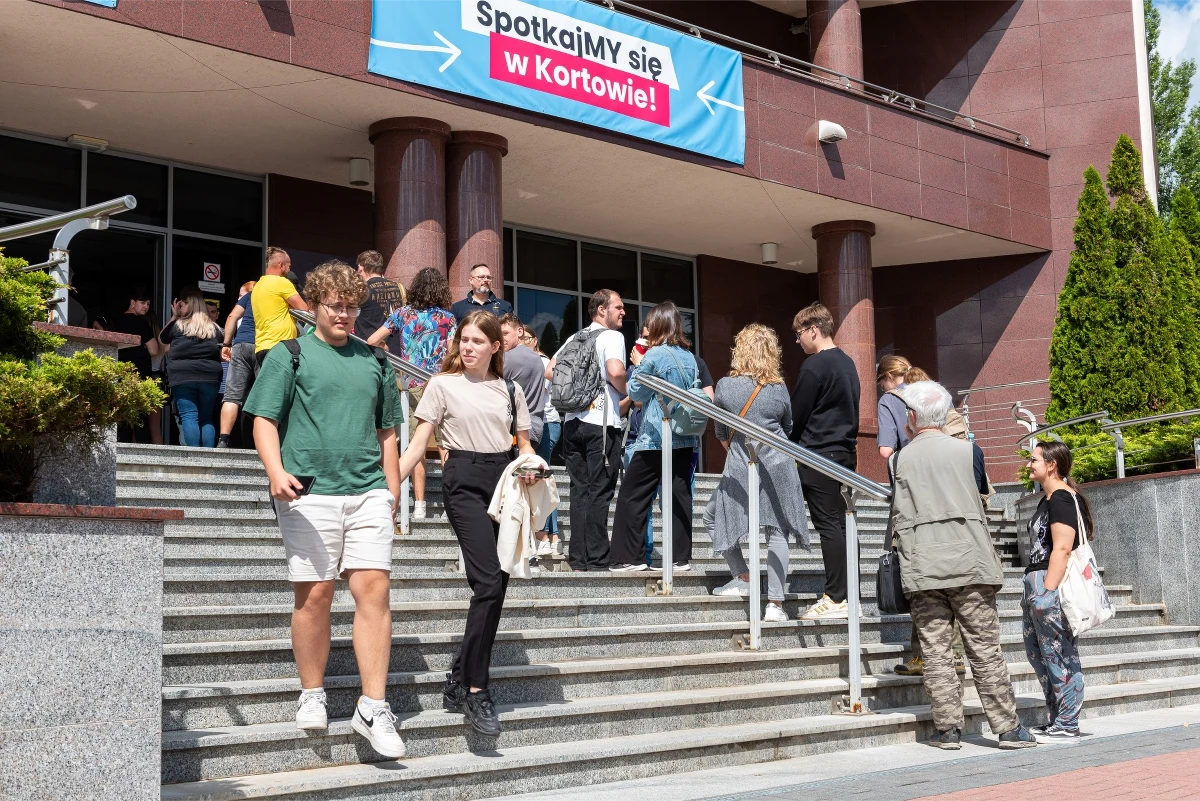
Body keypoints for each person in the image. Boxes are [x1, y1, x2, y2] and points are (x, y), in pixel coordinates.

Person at [244, 260, 405, 759]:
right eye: (335, 305)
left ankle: (373, 706)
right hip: (308, 492)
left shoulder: (375, 360)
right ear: (314, 305)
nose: (345, 314)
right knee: (314, 595)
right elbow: (265, 420)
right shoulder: (289, 354)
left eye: (352, 305)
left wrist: (392, 493)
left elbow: (388, 432)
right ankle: (312, 692)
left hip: (368, 491)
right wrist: (274, 471)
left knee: (373, 590)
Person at [397, 310, 541, 737]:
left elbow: (526, 447)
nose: (468, 346)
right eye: (464, 339)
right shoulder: (442, 385)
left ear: (496, 347)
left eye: (478, 341)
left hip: (504, 486)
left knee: (496, 588)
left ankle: (458, 680)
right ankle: (477, 689)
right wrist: (389, 490)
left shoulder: (510, 389)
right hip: (461, 483)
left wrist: (532, 468)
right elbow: (420, 442)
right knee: (488, 584)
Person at [892, 381, 1036, 751]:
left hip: (923, 565)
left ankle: (947, 731)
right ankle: (1007, 728)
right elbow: (981, 494)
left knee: (936, 651)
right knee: (985, 648)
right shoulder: (970, 451)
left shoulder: (898, 459)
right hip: (969, 562)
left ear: (911, 418)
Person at [707, 324, 809, 621]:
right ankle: (774, 606)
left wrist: (739, 455)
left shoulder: (726, 385)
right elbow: (788, 427)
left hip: (741, 463)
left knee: (713, 517)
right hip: (778, 466)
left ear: (741, 350)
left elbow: (721, 431)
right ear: (771, 352)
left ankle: (743, 577)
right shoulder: (777, 387)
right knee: (778, 532)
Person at [885, 362, 968, 679]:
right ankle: (925, 656)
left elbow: (966, 476)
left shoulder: (949, 424)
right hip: (930, 523)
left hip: (945, 522)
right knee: (927, 596)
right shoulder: (928, 431)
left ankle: (952, 656)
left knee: (943, 594)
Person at [609, 301, 698, 573]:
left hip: (655, 436)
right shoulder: (688, 356)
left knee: (633, 496)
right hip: (683, 436)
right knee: (679, 495)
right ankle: (680, 558)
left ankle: (629, 557)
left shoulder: (654, 356)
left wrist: (638, 363)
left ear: (657, 325)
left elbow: (635, 393)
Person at [367, 267, 457, 520]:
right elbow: (452, 352)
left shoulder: (401, 314)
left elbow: (373, 340)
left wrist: (392, 361)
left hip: (409, 383)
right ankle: (451, 505)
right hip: (439, 384)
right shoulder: (447, 319)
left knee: (413, 443)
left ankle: (419, 505)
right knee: (444, 444)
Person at [789, 302, 860, 619]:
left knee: (829, 526)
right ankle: (850, 596)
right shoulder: (848, 363)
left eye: (799, 333)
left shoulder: (815, 367)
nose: (797, 340)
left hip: (817, 455)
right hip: (844, 454)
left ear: (813, 330)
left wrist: (790, 447)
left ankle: (836, 597)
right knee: (844, 525)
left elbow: (796, 416)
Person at [552, 289, 627, 571]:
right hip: (601, 423)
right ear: (601, 310)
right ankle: (597, 558)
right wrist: (629, 392)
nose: (623, 312)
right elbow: (616, 372)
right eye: (618, 307)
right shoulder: (612, 337)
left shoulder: (575, 338)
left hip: (572, 422)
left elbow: (550, 370)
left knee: (579, 490)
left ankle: (579, 558)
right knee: (600, 490)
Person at [1023, 440, 1091, 743]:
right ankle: (1057, 719)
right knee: (1040, 654)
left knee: (1059, 652)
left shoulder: (1061, 498)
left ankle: (1068, 723)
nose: (1028, 464)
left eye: (1034, 459)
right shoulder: (1048, 498)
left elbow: (1062, 548)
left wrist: (1046, 592)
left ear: (1051, 465)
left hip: (1051, 584)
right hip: (1037, 581)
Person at [160, 288, 223, 448]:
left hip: (183, 377)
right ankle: (208, 458)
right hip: (210, 377)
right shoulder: (215, 328)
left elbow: (162, 338)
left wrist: (174, 316)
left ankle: (194, 459)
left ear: (188, 305)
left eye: (183, 304)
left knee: (189, 416)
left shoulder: (178, 326)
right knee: (207, 417)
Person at [110, 285, 164, 444]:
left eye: (148, 304)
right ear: (132, 302)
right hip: (140, 374)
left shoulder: (118, 321)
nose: (146, 307)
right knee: (141, 418)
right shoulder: (141, 324)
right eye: (142, 303)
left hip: (121, 373)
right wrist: (141, 352)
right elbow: (154, 350)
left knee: (123, 416)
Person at [531, 332, 562, 556]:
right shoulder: (541, 362)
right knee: (544, 479)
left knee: (542, 480)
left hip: (546, 423)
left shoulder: (540, 363)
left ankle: (549, 536)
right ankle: (551, 536)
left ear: (533, 340)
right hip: (547, 423)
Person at [251, 247, 308, 368]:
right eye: (289, 266)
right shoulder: (281, 282)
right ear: (281, 265)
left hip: (261, 347)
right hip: (281, 346)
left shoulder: (258, 286)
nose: (289, 270)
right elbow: (304, 311)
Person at [217, 280, 258, 448]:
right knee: (264, 396)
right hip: (264, 346)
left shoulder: (250, 296)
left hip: (240, 345)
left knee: (232, 396)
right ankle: (260, 443)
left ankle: (223, 440)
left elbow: (232, 316)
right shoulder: (279, 294)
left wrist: (226, 344)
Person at [499, 314, 547, 447]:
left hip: (514, 430)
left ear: (520, 331)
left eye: (505, 333)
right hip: (534, 429)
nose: (501, 338)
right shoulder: (538, 358)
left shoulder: (506, 358)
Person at [354, 249, 406, 349]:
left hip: (369, 350)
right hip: (397, 355)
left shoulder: (360, 290)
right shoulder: (400, 288)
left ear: (361, 268)